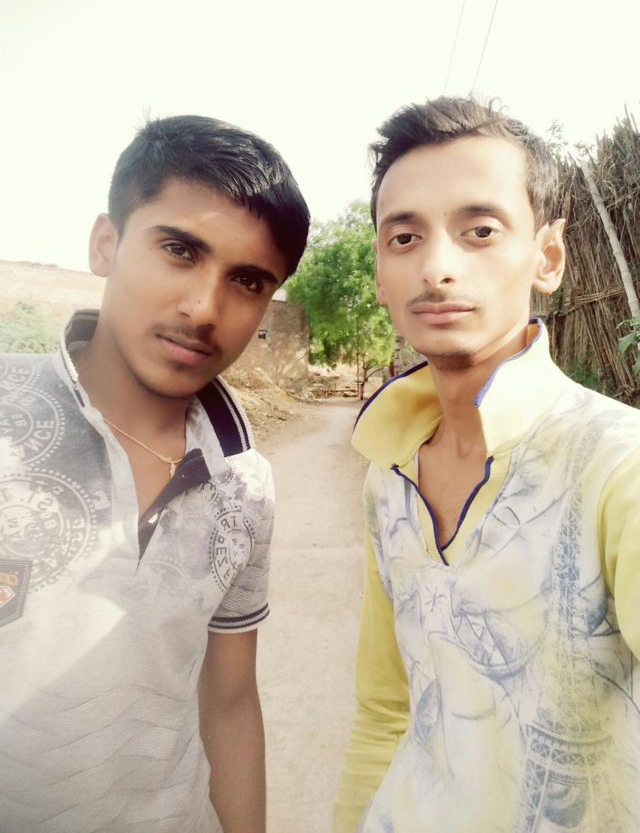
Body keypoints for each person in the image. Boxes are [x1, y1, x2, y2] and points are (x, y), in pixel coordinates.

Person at [334, 96, 640, 832]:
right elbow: (386, 709)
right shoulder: (388, 476)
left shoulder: (615, 465)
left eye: (479, 231)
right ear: (380, 272)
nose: (436, 268)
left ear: (548, 256)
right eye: (404, 237)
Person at [0, 115, 309, 833]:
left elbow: (230, 702)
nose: (203, 308)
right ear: (105, 244)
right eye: (179, 250)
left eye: (247, 280)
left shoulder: (245, 485)